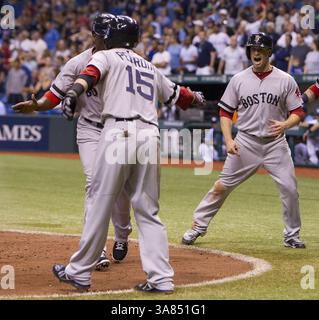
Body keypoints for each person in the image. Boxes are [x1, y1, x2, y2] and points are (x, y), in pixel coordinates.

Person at [52, 15, 205, 293]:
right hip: (149, 137)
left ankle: (79, 273)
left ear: (112, 37)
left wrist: (72, 94)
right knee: (148, 211)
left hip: (118, 133)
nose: (100, 37)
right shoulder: (147, 64)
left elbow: (88, 78)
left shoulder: (106, 57)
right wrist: (197, 98)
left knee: (99, 202)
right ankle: (161, 278)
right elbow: (178, 95)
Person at [12, 13, 133, 270]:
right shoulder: (78, 63)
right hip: (90, 129)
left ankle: (122, 234)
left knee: (121, 191)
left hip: (119, 130)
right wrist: (38, 106)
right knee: (95, 185)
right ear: (96, 36)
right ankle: (95, 248)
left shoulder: (127, 62)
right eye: (106, 34)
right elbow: (53, 95)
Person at [182, 33, 306, 249]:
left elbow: (298, 111)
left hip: (275, 143)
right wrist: (229, 140)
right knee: (221, 186)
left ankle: (292, 236)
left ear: (269, 52)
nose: (255, 53)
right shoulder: (238, 79)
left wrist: (286, 125)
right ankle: (197, 226)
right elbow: (225, 113)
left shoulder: (286, 79)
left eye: (260, 49)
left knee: (290, 189)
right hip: (246, 142)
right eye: (252, 49)